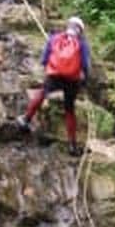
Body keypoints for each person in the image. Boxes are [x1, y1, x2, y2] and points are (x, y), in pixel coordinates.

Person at [16, 16, 90, 156]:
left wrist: (49, 69)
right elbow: (85, 66)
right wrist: (84, 81)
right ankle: (72, 145)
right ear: (80, 30)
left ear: (68, 26)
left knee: (43, 93)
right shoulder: (82, 44)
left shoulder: (54, 38)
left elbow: (44, 59)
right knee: (69, 109)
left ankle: (26, 119)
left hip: (54, 75)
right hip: (72, 80)